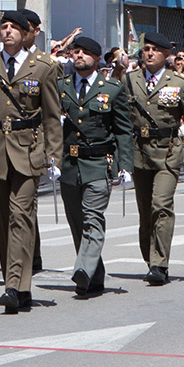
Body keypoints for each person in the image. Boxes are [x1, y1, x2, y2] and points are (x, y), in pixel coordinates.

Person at [0, 9, 61, 315]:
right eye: (4, 26)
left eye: (15, 27)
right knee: (3, 219)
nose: (8, 31)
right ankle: (14, 282)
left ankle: (16, 284)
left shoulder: (43, 67)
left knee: (21, 216)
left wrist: (54, 156)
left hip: (30, 149)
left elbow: (52, 116)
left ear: (26, 33)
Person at [56, 36, 132, 297]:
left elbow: (123, 130)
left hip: (99, 163)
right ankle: (95, 274)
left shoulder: (112, 88)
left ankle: (83, 269)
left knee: (92, 218)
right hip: (69, 163)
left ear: (98, 59)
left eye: (85, 52)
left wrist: (126, 165)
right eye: (75, 51)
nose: (79, 55)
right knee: (77, 223)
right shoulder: (61, 86)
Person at [124, 32, 184, 286]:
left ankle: (160, 264)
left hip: (168, 152)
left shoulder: (180, 82)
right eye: (146, 49)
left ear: (167, 54)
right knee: (145, 213)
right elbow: (122, 118)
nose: (149, 53)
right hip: (139, 151)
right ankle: (150, 259)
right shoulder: (130, 80)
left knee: (161, 206)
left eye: (155, 49)